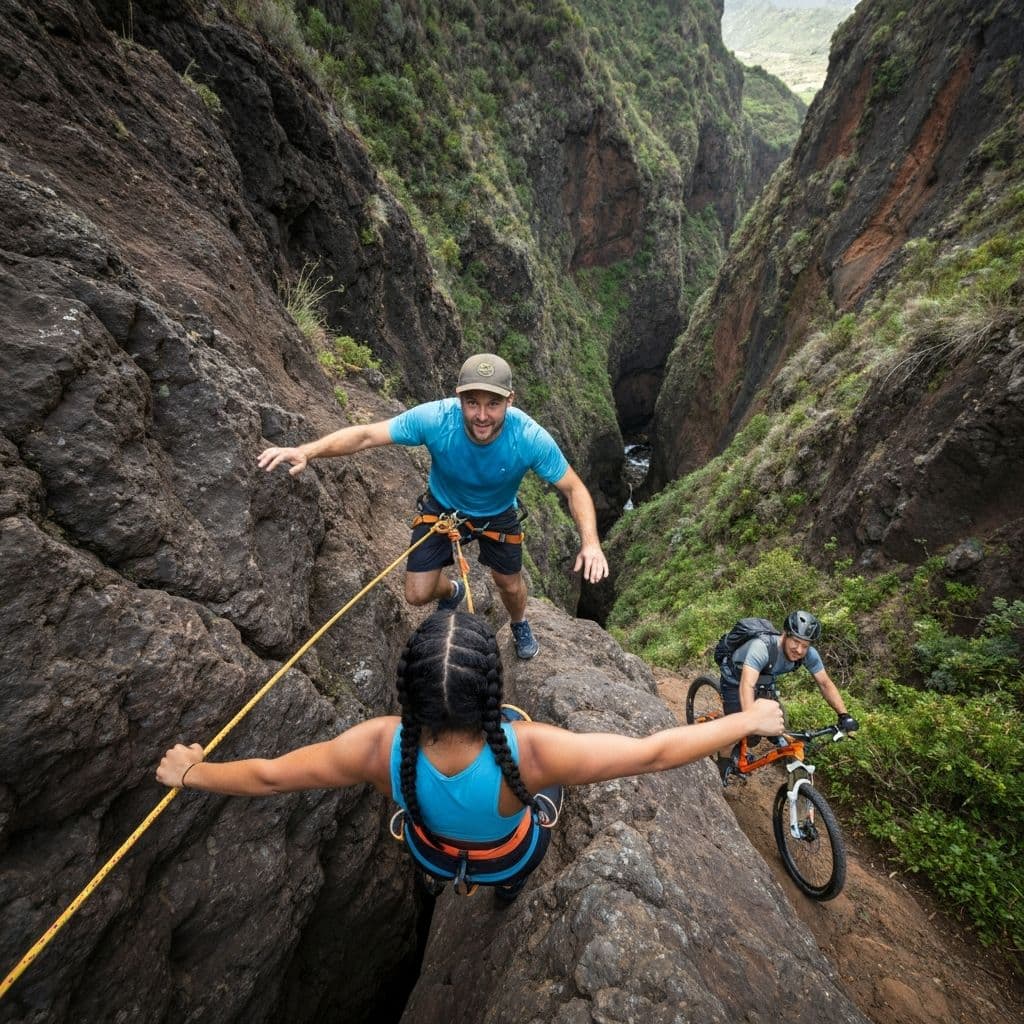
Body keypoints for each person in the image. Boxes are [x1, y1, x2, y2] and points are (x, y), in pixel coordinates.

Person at [157, 611, 784, 902]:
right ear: (492, 690)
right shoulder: (531, 751)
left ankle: (479, 878)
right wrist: (745, 719)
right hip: (507, 855)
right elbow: (651, 755)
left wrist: (192, 772)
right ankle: (507, 891)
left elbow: (269, 777)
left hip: (431, 852)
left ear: (411, 693)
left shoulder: (380, 746)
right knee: (540, 778)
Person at [257, 353, 608, 660]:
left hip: (498, 514)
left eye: (493, 404)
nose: (482, 415)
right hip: (444, 509)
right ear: (459, 399)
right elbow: (366, 435)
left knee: (510, 585)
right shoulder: (436, 420)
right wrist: (307, 451)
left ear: (510, 401)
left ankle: (519, 624)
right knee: (417, 594)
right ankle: (453, 590)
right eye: (472, 403)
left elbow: (573, 488)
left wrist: (590, 542)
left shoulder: (529, 437)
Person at [716, 609, 857, 777]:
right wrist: (749, 719)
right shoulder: (762, 647)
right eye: (795, 642)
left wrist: (844, 715)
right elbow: (746, 685)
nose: (799, 650)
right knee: (736, 732)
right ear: (785, 634)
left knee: (777, 725)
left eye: (805, 645)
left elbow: (825, 683)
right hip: (735, 680)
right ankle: (722, 764)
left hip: (764, 682)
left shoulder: (807, 655)